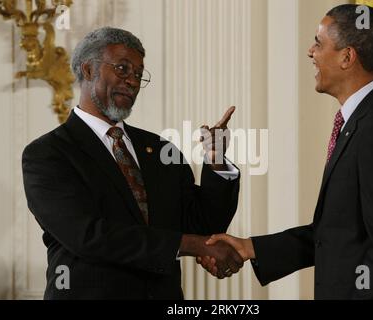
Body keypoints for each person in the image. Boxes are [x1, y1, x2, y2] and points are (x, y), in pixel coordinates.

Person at [200, 4, 373, 299]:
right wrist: (250, 247)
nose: (310, 51)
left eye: (319, 43)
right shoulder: (363, 120)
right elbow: (337, 235)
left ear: (347, 57)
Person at [22, 27, 243, 300]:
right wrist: (193, 245)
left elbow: (202, 223)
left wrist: (217, 161)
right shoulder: (48, 154)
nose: (132, 81)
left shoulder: (160, 148)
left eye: (138, 74)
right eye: (122, 69)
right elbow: (88, 236)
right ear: (88, 70)